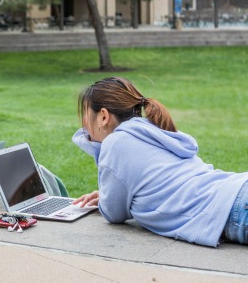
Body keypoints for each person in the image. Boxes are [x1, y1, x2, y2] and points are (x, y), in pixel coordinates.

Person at [71, 77, 247, 247]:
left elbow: (113, 214)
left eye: (85, 116)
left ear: (103, 116)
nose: (84, 126)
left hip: (232, 209)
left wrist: (108, 196)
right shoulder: (151, 129)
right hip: (236, 191)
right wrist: (107, 195)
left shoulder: (115, 142)